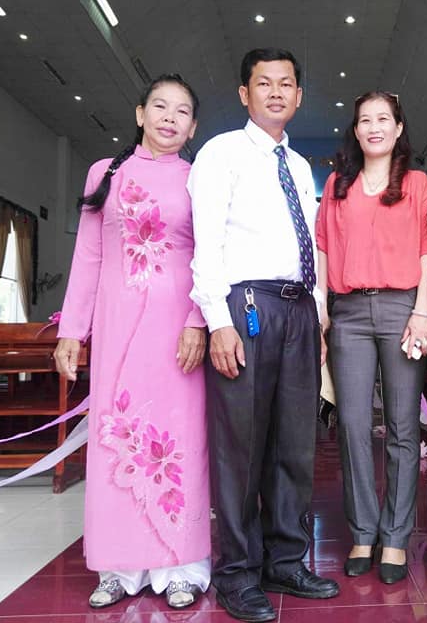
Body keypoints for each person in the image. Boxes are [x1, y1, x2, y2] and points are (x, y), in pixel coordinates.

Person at [188, 48, 339, 623]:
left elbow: (308, 249)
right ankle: (237, 572)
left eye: (286, 84)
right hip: (245, 305)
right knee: (241, 447)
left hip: (299, 310)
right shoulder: (221, 152)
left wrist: (317, 316)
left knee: (295, 444)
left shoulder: (298, 165)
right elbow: (206, 242)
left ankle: (286, 561)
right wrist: (217, 321)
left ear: (299, 96)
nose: (276, 92)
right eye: (264, 83)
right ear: (244, 93)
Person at [54, 74, 211, 610]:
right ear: (140, 114)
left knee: (179, 439)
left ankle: (181, 565)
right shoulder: (106, 173)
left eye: (182, 111)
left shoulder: (199, 178)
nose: (170, 117)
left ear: (193, 126)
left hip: (178, 330)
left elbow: (210, 256)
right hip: (117, 325)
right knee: (115, 437)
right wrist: (72, 331)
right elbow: (88, 256)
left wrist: (198, 320)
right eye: (160, 106)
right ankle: (117, 566)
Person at [315, 91, 427, 585]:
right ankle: (363, 532)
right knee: (353, 425)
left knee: (403, 427)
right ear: (356, 129)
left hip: (401, 308)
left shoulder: (417, 183)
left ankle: (396, 535)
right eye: (365, 120)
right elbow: (322, 248)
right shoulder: (337, 184)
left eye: (383, 119)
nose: (374, 127)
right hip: (348, 313)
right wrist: (322, 310)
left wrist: (423, 311)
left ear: (399, 127)